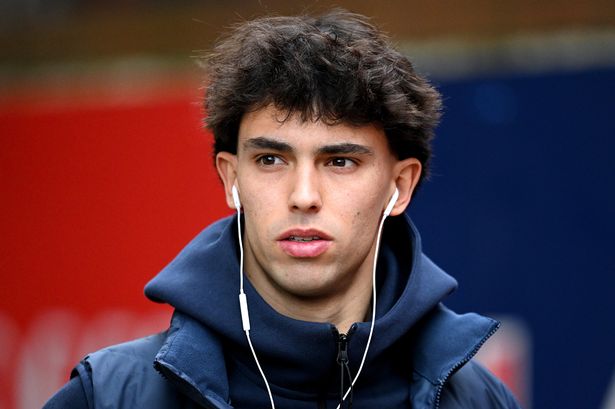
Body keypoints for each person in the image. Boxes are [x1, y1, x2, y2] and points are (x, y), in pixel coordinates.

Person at [43, 9, 522, 409]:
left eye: (339, 161)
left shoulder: (476, 400)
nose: (303, 195)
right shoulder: (111, 396)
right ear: (232, 178)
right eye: (271, 159)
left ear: (399, 187)